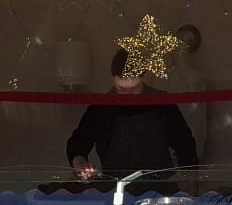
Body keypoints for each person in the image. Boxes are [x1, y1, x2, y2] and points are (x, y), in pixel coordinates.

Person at [67, 49, 198, 181]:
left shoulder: (161, 103)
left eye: (134, 89)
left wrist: (191, 179)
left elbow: (184, 143)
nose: (128, 95)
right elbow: (77, 143)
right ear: (114, 80)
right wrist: (80, 164)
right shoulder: (100, 108)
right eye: (122, 90)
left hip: (160, 187)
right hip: (115, 188)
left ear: (143, 78)